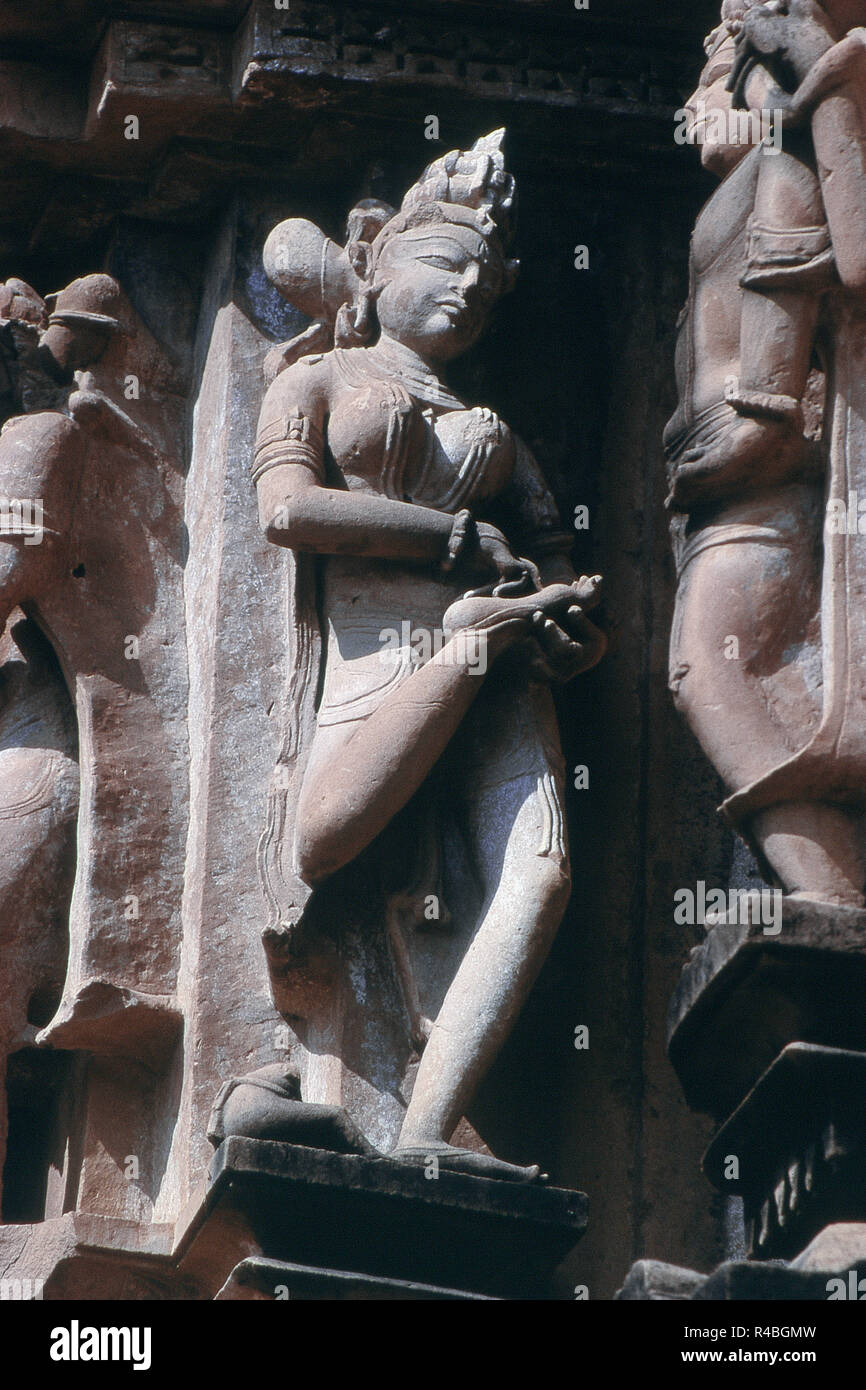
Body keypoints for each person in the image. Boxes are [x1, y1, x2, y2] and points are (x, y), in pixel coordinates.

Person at [253, 132, 606, 1178]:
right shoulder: (320, 381)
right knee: (325, 841)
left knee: (539, 879)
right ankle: (462, 649)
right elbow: (285, 510)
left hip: (499, 668)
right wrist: (451, 542)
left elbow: (553, 560)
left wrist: (569, 631)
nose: (467, 289)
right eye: (444, 264)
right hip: (388, 658)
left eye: (486, 285)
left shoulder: (496, 431)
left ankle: (429, 1132)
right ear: (375, 264)